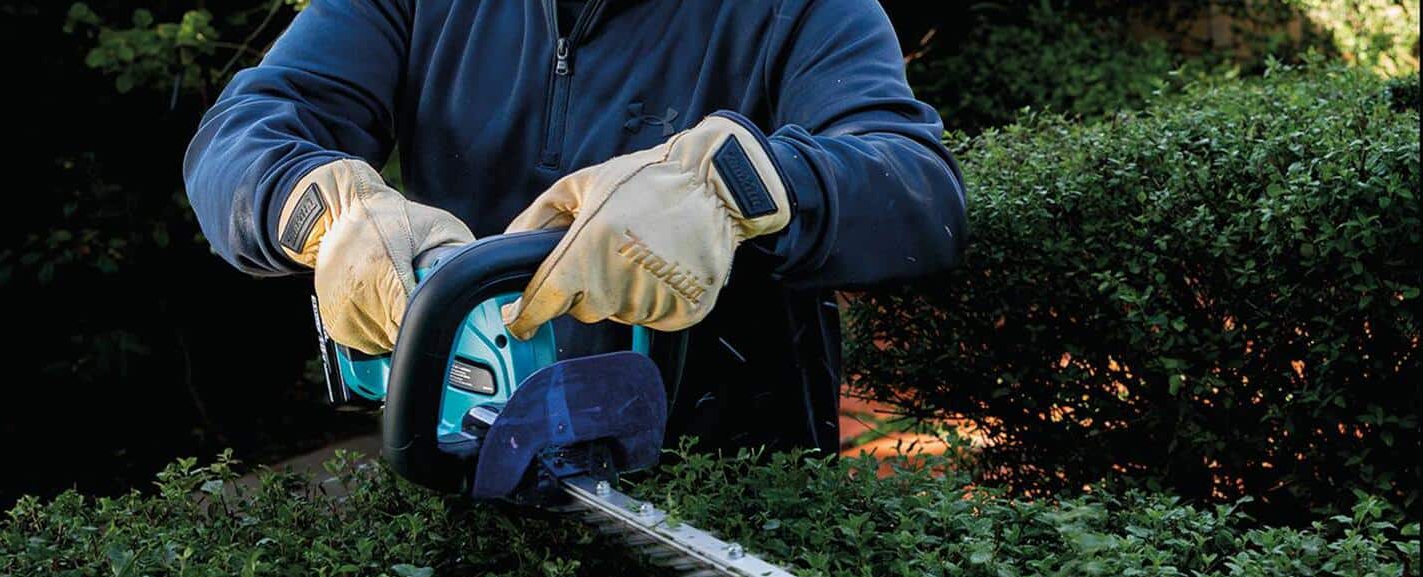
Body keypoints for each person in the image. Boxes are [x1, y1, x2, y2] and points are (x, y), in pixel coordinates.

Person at [183, 0, 967, 455]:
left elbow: (918, 188)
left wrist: (739, 185)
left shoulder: (804, 8)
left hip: (728, 467)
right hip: (466, 445)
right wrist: (322, 206)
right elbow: (243, 133)